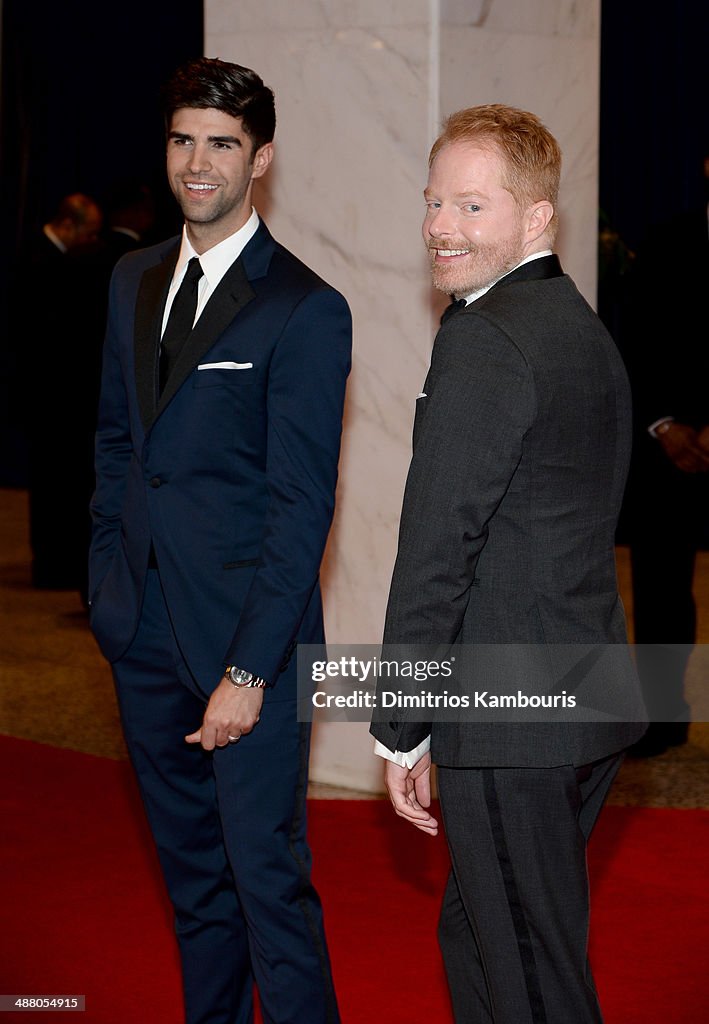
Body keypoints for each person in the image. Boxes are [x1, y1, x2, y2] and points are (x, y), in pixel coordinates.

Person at [370, 105, 646, 1024]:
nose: (441, 227)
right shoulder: (577, 326)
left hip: (510, 710)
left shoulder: (487, 338)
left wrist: (399, 721)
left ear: (536, 219)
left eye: (472, 207)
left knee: (527, 968)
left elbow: (436, 548)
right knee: (486, 935)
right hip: (582, 690)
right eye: (434, 202)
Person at [88, 57, 351, 1024]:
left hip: (252, 643)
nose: (198, 163)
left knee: (266, 885)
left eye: (223, 145)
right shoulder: (131, 278)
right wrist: (108, 584)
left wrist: (248, 672)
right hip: (143, 630)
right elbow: (120, 446)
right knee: (194, 889)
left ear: (262, 159)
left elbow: (300, 507)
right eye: (183, 140)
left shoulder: (303, 307)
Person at [619, 153, 709, 757]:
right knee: (659, 588)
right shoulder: (666, 241)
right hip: (667, 447)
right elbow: (628, 337)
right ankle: (660, 717)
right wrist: (664, 424)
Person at [13, 192, 104, 591]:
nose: (90, 241)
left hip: (52, 390)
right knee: (50, 480)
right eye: (88, 233)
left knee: (56, 478)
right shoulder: (37, 259)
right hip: (45, 390)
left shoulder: (51, 258)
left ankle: (54, 562)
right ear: (69, 224)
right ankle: (49, 564)